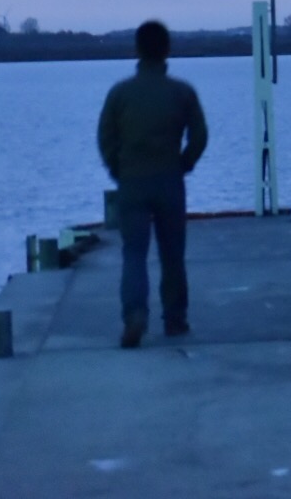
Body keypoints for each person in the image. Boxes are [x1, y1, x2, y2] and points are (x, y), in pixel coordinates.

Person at [97, 20, 208, 348]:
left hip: (132, 182)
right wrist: (184, 163)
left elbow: (105, 137)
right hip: (169, 180)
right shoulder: (182, 92)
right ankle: (174, 319)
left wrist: (118, 169)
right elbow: (200, 135)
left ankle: (134, 316)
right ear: (167, 50)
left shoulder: (120, 94)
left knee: (134, 253)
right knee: (172, 254)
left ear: (137, 49)